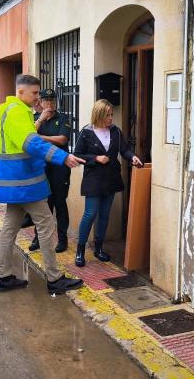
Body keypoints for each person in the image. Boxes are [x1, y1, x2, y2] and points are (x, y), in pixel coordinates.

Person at [0, 74, 85, 294]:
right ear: (20, 91)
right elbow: (31, 143)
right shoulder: (16, 112)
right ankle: (54, 278)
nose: (37, 98)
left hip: (13, 181)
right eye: (34, 93)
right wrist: (63, 157)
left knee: (9, 228)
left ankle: (4, 277)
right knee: (46, 224)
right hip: (24, 181)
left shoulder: (6, 110)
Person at [73, 99, 143, 267]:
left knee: (104, 215)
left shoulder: (116, 132)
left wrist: (132, 156)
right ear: (99, 114)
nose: (111, 118)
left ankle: (99, 249)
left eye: (112, 114)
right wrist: (96, 158)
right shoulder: (86, 132)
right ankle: (80, 251)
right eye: (108, 115)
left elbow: (124, 150)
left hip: (111, 178)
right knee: (90, 214)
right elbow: (77, 154)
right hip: (93, 179)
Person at [26, 89, 72, 253]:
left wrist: (41, 138)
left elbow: (62, 139)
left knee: (60, 203)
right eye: (47, 101)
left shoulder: (63, 118)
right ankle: (38, 238)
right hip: (42, 168)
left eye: (53, 101)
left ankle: (62, 239)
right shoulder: (35, 120)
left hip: (60, 168)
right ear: (41, 102)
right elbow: (28, 137)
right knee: (42, 205)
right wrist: (40, 122)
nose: (50, 104)